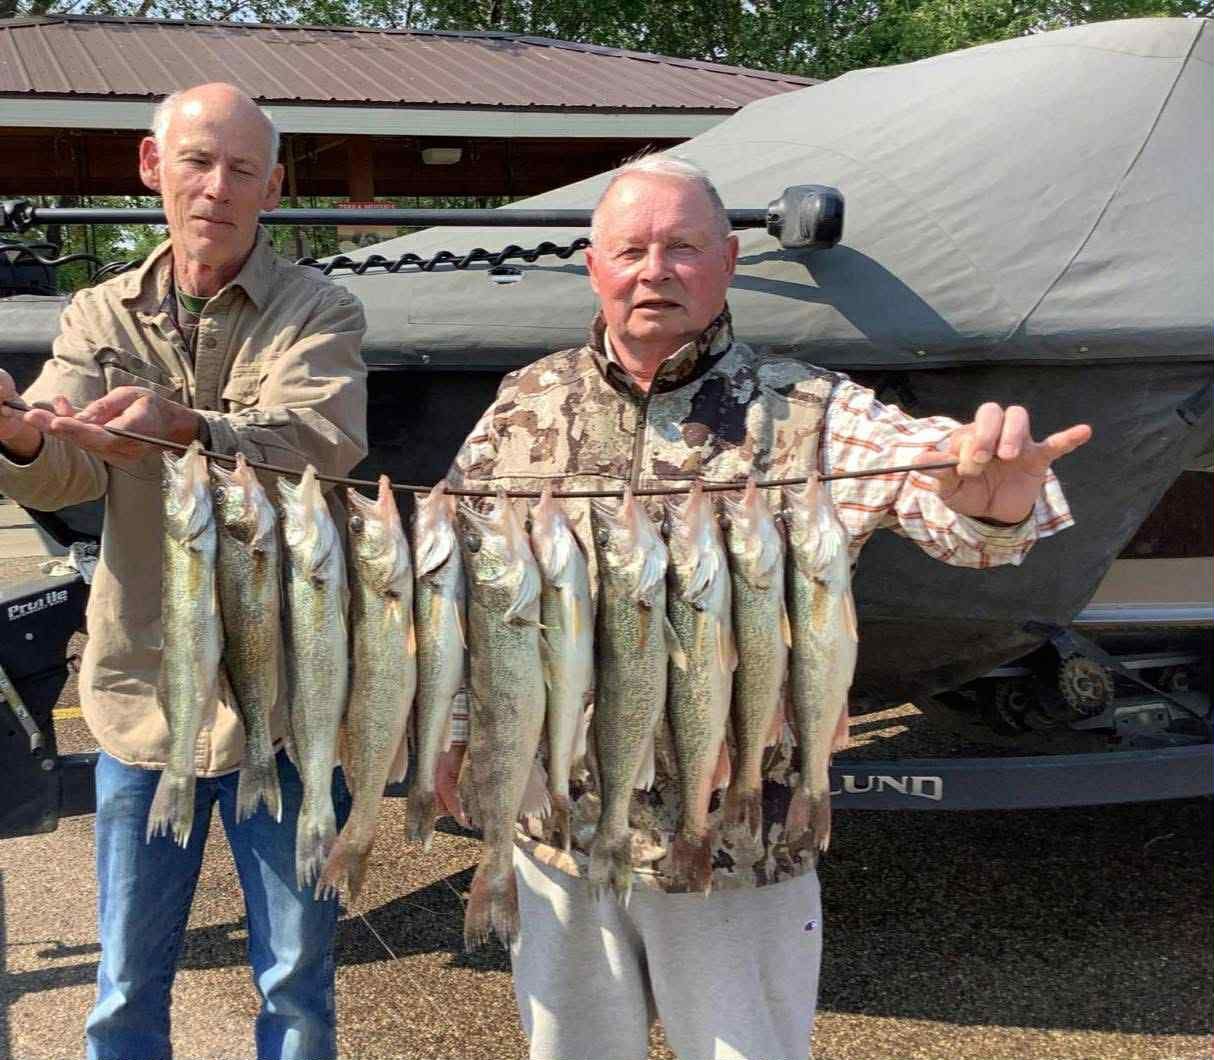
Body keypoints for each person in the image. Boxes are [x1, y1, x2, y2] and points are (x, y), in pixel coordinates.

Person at [443, 155, 1091, 1060]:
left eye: (682, 247)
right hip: (557, 836)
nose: (653, 270)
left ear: (729, 259)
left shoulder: (807, 409)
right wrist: (460, 726)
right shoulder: (525, 404)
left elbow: (940, 489)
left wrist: (993, 488)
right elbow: (465, 589)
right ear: (594, 265)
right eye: (630, 249)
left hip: (739, 848)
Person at [0, 84, 368, 1060]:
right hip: (143, 699)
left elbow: (322, 440)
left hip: (284, 710)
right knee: (122, 987)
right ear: (151, 167)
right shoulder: (99, 310)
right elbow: (65, 449)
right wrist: (15, 430)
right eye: (197, 162)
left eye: (242, 168)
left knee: (295, 984)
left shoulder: (317, 310)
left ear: (273, 185)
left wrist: (190, 428)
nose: (217, 187)